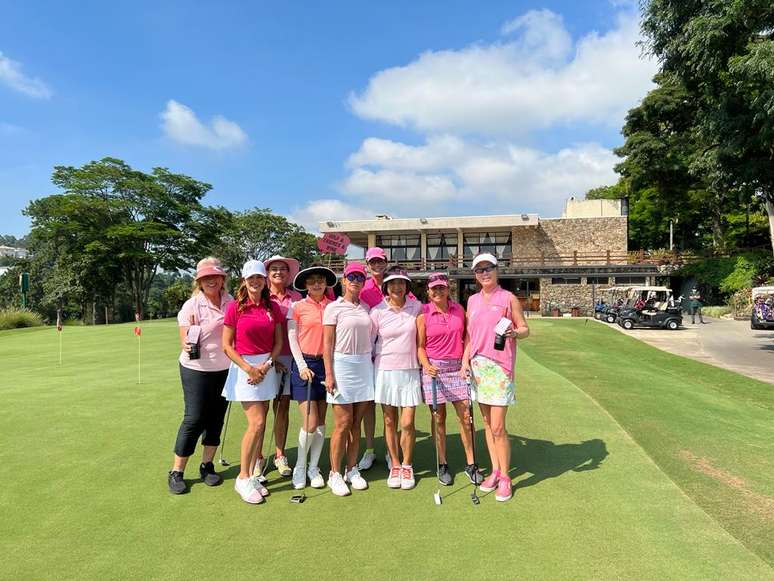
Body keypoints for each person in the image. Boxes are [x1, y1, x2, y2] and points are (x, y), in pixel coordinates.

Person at [462, 253, 529, 502]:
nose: (484, 273)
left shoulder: (508, 298)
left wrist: (514, 332)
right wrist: (464, 362)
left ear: (496, 270)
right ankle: (495, 471)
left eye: (488, 268)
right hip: (478, 367)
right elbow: (469, 336)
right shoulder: (472, 301)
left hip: (500, 367)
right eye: (479, 270)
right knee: (488, 426)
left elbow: (525, 328)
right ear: (475, 275)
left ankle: (505, 478)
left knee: (499, 427)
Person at [222, 260, 285, 504]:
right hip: (244, 368)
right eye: (251, 279)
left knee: (262, 421)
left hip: (266, 367)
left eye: (259, 278)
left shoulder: (273, 307)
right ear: (244, 281)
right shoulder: (235, 307)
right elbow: (227, 345)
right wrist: (249, 368)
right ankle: (243, 477)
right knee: (256, 423)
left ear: (264, 280)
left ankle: (251, 475)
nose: (256, 282)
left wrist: (267, 365)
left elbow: (278, 343)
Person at [168, 258, 232, 495]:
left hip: (225, 369)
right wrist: (192, 336)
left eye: (214, 276)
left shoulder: (231, 302)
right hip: (196, 369)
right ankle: (177, 471)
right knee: (194, 419)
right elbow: (186, 343)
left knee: (216, 419)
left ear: (222, 279)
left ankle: (207, 465)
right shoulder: (191, 306)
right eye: (205, 278)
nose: (211, 281)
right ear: (199, 282)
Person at [416, 272, 482, 487]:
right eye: (434, 288)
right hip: (434, 370)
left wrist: (465, 363)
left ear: (448, 289)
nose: (438, 291)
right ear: (428, 291)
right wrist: (426, 366)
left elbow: (468, 338)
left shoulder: (459, 310)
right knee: (439, 418)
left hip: (457, 368)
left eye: (442, 288)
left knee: (466, 416)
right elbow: (419, 347)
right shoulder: (423, 314)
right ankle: (442, 463)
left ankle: (471, 463)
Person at [322, 262, 374, 496]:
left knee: (355, 424)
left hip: (364, 366)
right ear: (343, 280)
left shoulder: (366, 307)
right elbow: (327, 345)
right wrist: (329, 374)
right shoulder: (333, 308)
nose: (355, 280)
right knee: (342, 424)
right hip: (341, 365)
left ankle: (351, 469)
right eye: (351, 276)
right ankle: (334, 473)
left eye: (360, 277)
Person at [371, 266, 423, 489]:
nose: (397, 287)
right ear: (386, 286)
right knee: (390, 420)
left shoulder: (417, 307)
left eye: (401, 283)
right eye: (392, 283)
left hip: (410, 370)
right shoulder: (377, 311)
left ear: (407, 286)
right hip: (385, 370)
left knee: (408, 422)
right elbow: (368, 344)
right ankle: (394, 463)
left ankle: (407, 465)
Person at [286, 265, 337, 490]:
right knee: (310, 421)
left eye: (320, 280)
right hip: (304, 364)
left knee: (322, 422)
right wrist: (302, 365)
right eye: (312, 281)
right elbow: (292, 337)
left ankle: (313, 467)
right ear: (305, 285)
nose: (317, 284)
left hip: (327, 365)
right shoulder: (296, 306)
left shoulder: (334, 306)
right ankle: (300, 466)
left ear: (326, 283)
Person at [262, 255, 302, 479]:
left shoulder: (296, 297)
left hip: (289, 358)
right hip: (262, 359)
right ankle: (258, 457)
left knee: (282, 407)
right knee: (260, 410)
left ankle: (279, 454)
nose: (278, 272)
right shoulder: (260, 295)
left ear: (289, 274)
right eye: (274, 269)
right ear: (267, 273)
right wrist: (270, 358)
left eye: (283, 269)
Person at [356, 247, 389, 470]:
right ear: (367, 265)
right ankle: (369, 449)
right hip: (367, 354)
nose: (376, 265)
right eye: (373, 262)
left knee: (388, 405)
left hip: (388, 355)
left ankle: (390, 450)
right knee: (368, 405)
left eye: (380, 261)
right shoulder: (362, 289)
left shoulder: (395, 284)